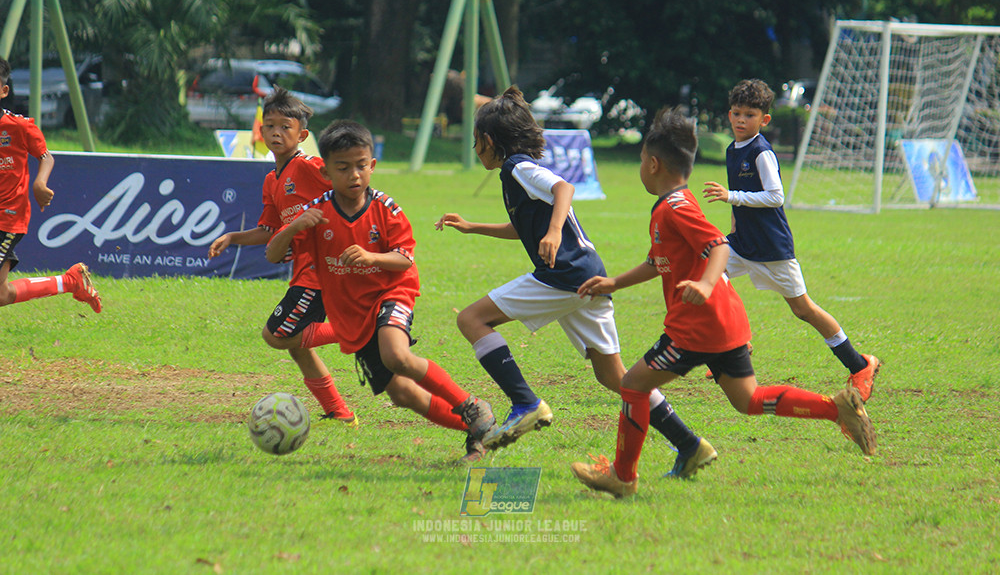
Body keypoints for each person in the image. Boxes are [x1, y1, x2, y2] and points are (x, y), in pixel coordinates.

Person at [570, 108, 876, 498]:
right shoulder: (673, 204)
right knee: (748, 399)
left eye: (641, 161)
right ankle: (836, 408)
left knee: (631, 385)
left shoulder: (676, 207)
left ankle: (623, 476)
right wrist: (615, 282)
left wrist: (704, 283)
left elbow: (718, 245)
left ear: (653, 164)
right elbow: (657, 261)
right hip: (725, 320)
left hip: (696, 327)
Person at [436, 86, 709, 472]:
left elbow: (564, 188)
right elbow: (523, 229)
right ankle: (690, 444)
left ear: (489, 141)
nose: (474, 147)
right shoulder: (515, 174)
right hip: (586, 275)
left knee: (471, 319)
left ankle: (525, 403)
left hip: (562, 276)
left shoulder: (518, 167)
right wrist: (473, 226)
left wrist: (552, 232)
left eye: (476, 139)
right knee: (616, 377)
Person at [265, 120, 499, 462]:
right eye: (343, 168)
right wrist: (294, 226)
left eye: (361, 166)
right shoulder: (316, 214)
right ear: (326, 172)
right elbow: (273, 254)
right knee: (404, 395)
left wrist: (372, 257)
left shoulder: (386, 209)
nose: (354, 175)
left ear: (372, 165)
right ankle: (479, 432)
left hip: (393, 291)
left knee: (396, 355)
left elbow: (404, 259)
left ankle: (472, 405)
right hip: (353, 314)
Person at [702, 79, 881, 402]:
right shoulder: (732, 150)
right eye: (737, 113)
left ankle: (860, 365)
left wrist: (732, 196)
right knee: (709, 275)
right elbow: (739, 204)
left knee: (804, 309)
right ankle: (736, 347)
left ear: (764, 120)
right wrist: (733, 228)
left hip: (772, 248)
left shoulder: (761, 152)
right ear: (729, 114)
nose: (741, 120)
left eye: (750, 115)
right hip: (742, 243)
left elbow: (775, 196)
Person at [208, 88, 356, 425]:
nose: (276, 133)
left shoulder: (309, 166)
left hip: (323, 271)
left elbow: (352, 182)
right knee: (297, 345)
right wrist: (233, 237)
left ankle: (362, 328)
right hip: (305, 271)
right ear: (260, 130)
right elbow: (270, 230)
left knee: (276, 335)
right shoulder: (272, 180)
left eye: (285, 127)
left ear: (302, 135)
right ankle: (340, 412)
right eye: (270, 126)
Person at [0, 57, 102, 314]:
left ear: (4, 91)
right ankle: (71, 281)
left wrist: (40, 182)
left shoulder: (18, 126)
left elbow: (46, 156)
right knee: (2, 294)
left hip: (7, 216)